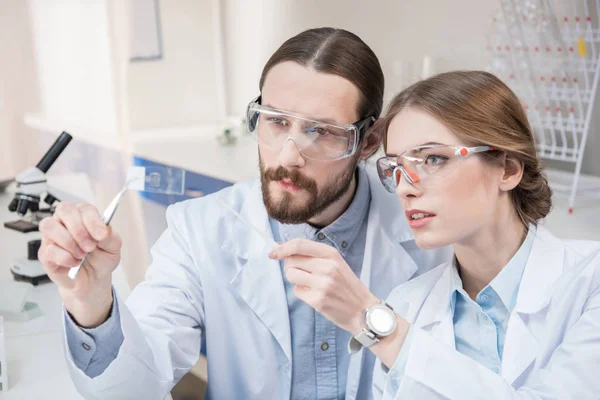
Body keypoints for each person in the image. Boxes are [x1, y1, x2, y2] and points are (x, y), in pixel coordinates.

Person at [37, 28, 451, 399]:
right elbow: (134, 390)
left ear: (368, 141)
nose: (288, 156)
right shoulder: (198, 230)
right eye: (275, 121)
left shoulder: (430, 230)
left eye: (320, 131)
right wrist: (90, 302)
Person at [271, 70, 600, 399]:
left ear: (509, 168)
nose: (404, 187)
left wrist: (373, 322)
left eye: (432, 159)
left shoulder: (590, 282)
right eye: (396, 167)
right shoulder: (406, 305)